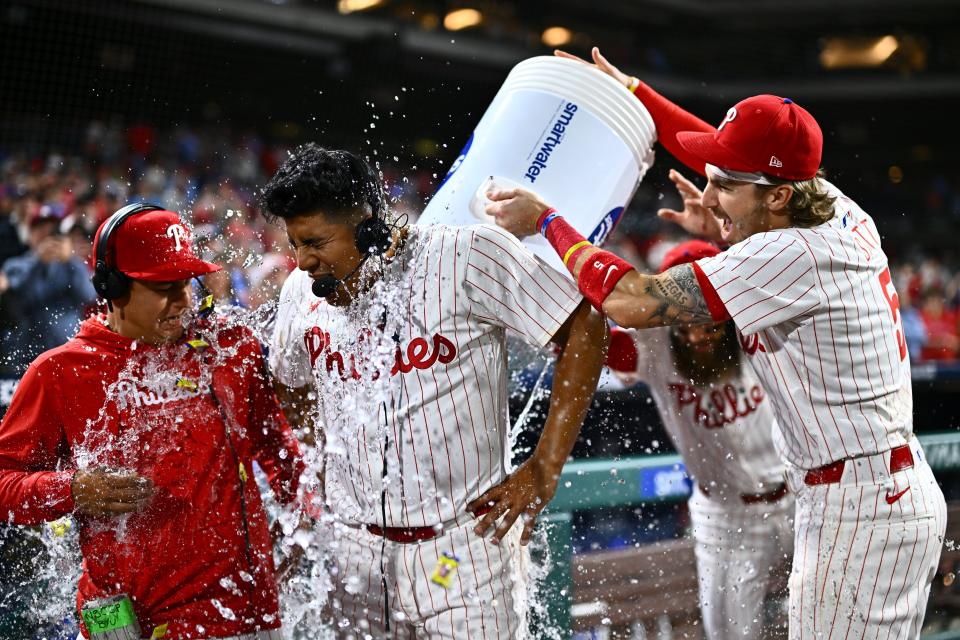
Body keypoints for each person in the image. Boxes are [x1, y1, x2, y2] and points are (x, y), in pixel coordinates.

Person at [487, 47, 947, 639]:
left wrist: (549, 222)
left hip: (856, 507)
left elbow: (629, 300)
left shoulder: (787, 254)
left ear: (777, 196)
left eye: (726, 185)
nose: (709, 195)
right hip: (865, 493)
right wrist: (637, 93)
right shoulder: (833, 205)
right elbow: (718, 147)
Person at [262, 144, 607, 638]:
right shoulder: (300, 289)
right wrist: (319, 458)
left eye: (316, 242)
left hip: (463, 548)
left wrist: (546, 466)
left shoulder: (464, 255)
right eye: (295, 244)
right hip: (355, 552)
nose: (304, 261)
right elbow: (288, 383)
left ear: (368, 227)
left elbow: (585, 323)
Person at [0, 203, 304, 639]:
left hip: (239, 612)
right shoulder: (61, 373)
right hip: (120, 621)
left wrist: (299, 520)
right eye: (165, 287)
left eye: (188, 283)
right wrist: (72, 489)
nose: (185, 302)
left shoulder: (230, 349)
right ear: (113, 287)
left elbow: (275, 444)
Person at [605, 239, 792, 640]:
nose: (697, 336)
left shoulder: (754, 324)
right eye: (684, 324)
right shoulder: (654, 347)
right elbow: (592, 344)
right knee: (731, 634)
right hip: (728, 515)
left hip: (797, 497)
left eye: (707, 321)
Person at [0, 204, 97, 373]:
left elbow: (89, 295)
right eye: (40, 229)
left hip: (67, 349)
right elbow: (19, 303)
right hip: (27, 355)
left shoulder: (73, 264)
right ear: (29, 235)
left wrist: (70, 261)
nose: (46, 235)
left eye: (51, 231)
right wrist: (38, 262)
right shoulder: (15, 265)